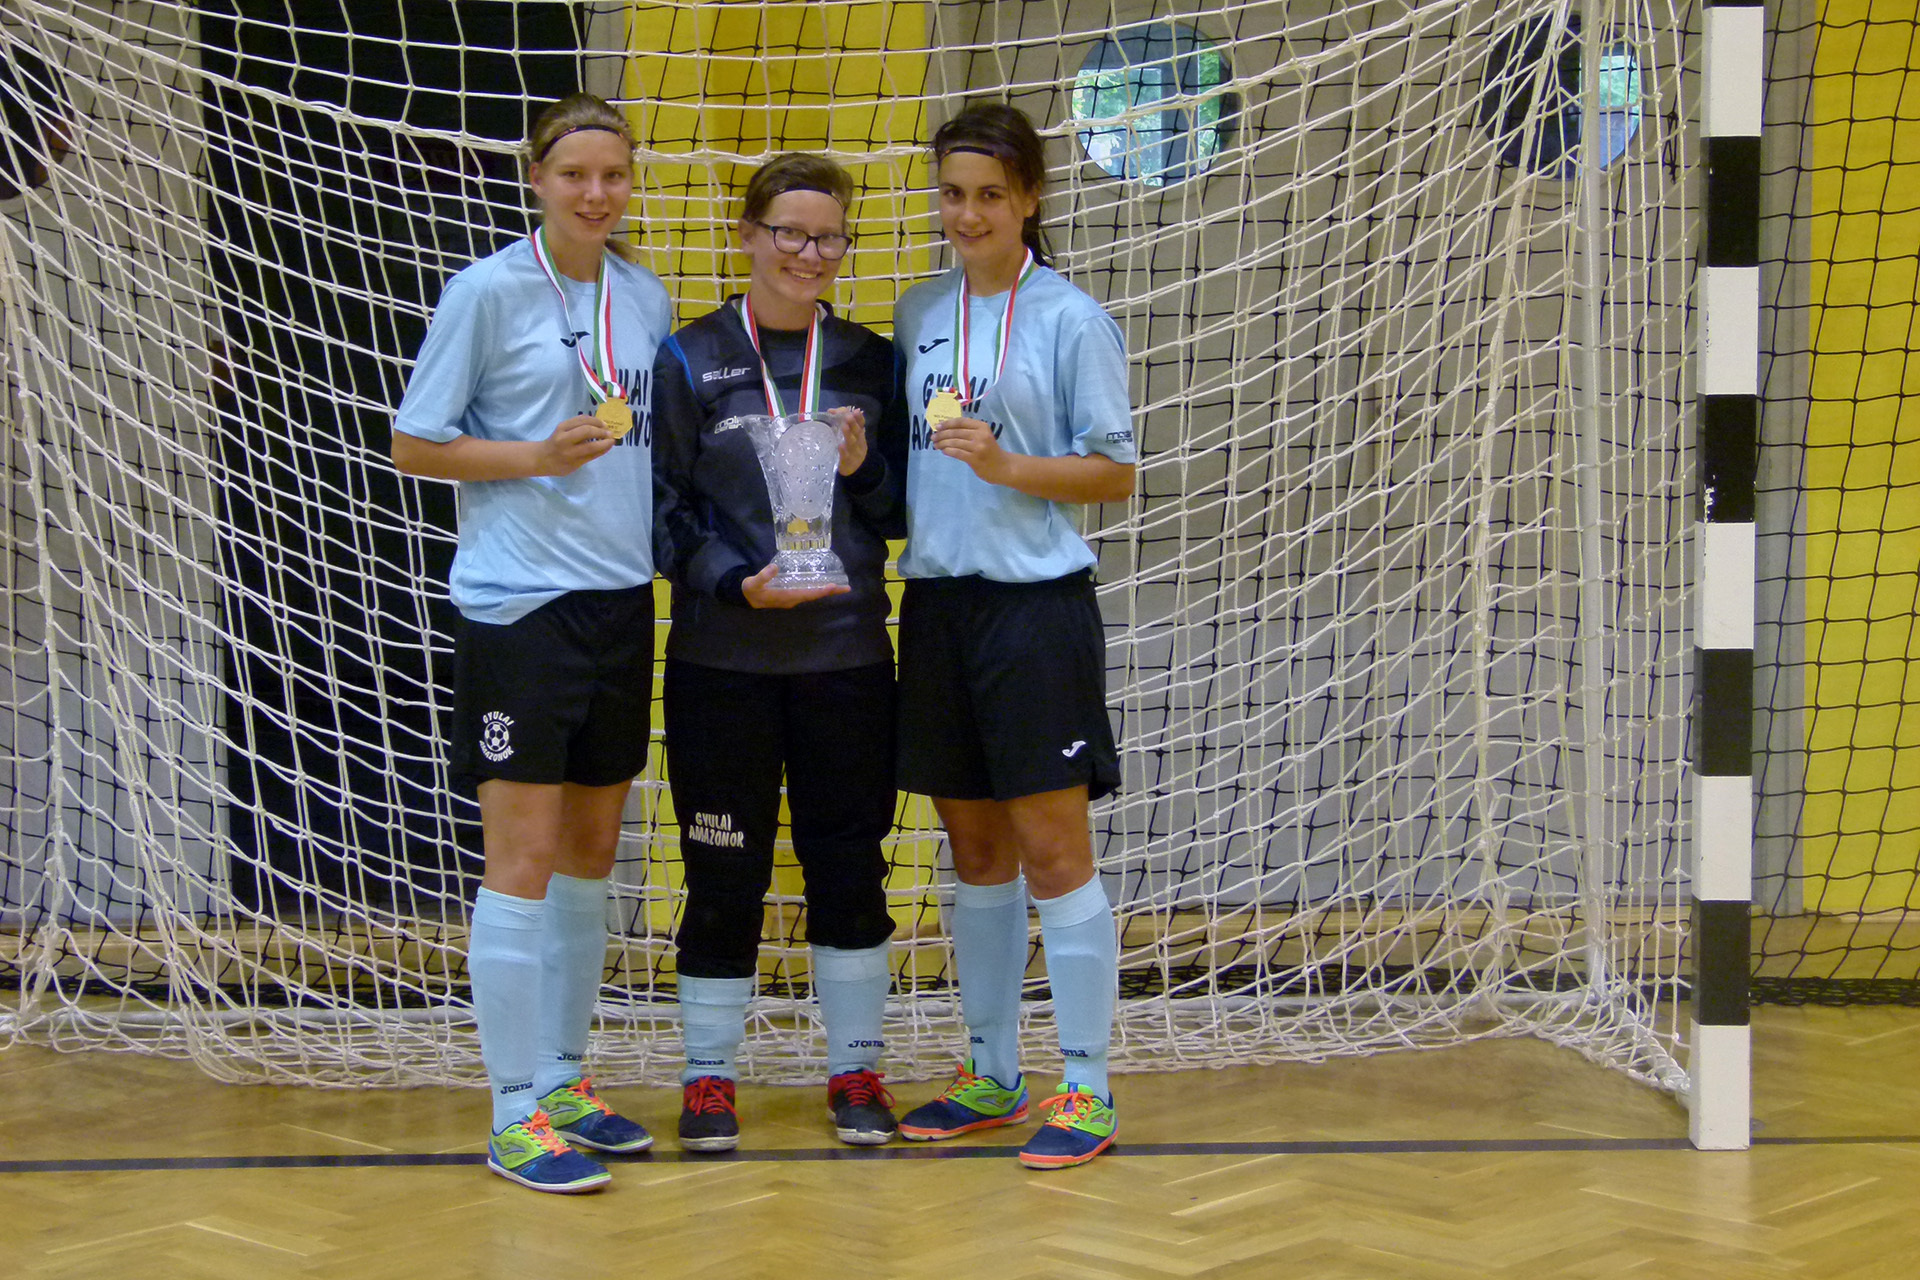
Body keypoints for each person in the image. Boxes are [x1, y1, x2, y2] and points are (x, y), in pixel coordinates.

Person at [390, 92, 672, 1194]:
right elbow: (415, 443)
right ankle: (512, 1112)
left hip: (620, 603)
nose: (597, 193)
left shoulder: (642, 294)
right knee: (521, 857)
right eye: (575, 175)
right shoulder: (487, 291)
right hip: (520, 607)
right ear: (537, 180)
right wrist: (530, 459)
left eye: (613, 174)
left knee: (593, 852)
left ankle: (561, 1078)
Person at [890, 103, 1136, 1169]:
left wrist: (1007, 466)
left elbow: (1115, 473)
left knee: (1052, 850)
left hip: (1035, 613)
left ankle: (1087, 1086)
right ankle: (992, 1071)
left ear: (1029, 199)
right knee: (977, 852)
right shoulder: (918, 311)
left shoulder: (1073, 319)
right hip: (939, 608)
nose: (969, 214)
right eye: (953, 193)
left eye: (990, 194)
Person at [651, 153, 908, 1151]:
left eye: (829, 236)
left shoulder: (872, 360)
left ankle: (857, 1068)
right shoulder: (688, 359)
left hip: (846, 660)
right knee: (723, 870)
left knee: (848, 865)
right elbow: (661, 509)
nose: (810, 252)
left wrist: (866, 466)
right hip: (723, 664)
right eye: (790, 231)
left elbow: (898, 510)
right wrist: (731, 581)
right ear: (747, 235)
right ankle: (709, 1077)